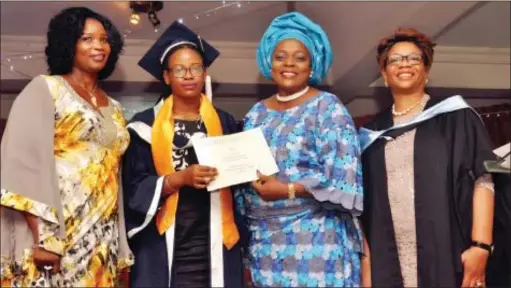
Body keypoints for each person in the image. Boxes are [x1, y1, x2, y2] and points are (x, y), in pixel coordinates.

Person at [0, 7, 132, 287]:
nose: (98, 46)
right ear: (68, 43)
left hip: (101, 237)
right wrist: (45, 238)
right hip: (58, 233)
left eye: (104, 39)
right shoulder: (46, 88)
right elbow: (20, 165)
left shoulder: (117, 108)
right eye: (87, 39)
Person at [359, 27, 498, 287]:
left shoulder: (456, 116)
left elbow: (484, 179)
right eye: (395, 59)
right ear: (384, 75)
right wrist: (367, 268)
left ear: (426, 70)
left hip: (446, 251)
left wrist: (481, 246)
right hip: (387, 260)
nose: (405, 64)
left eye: (414, 58)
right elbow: (363, 207)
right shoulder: (370, 135)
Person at [236, 12, 364, 287]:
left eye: (299, 57)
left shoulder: (328, 107)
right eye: (281, 56)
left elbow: (344, 179)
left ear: (312, 64)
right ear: (269, 62)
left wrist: (287, 189)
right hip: (265, 242)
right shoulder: (255, 114)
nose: (289, 64)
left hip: (318, 238)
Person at [122, 21, 244, 288]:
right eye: (179, 69)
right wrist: (180, 179)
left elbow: (240, 183)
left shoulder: (226, 124)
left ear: (205, 73)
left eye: (195, 68)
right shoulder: (144, 127)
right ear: (166, 76)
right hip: (163, 243)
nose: (188, 75)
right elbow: (133, 188)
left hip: (215, 239)